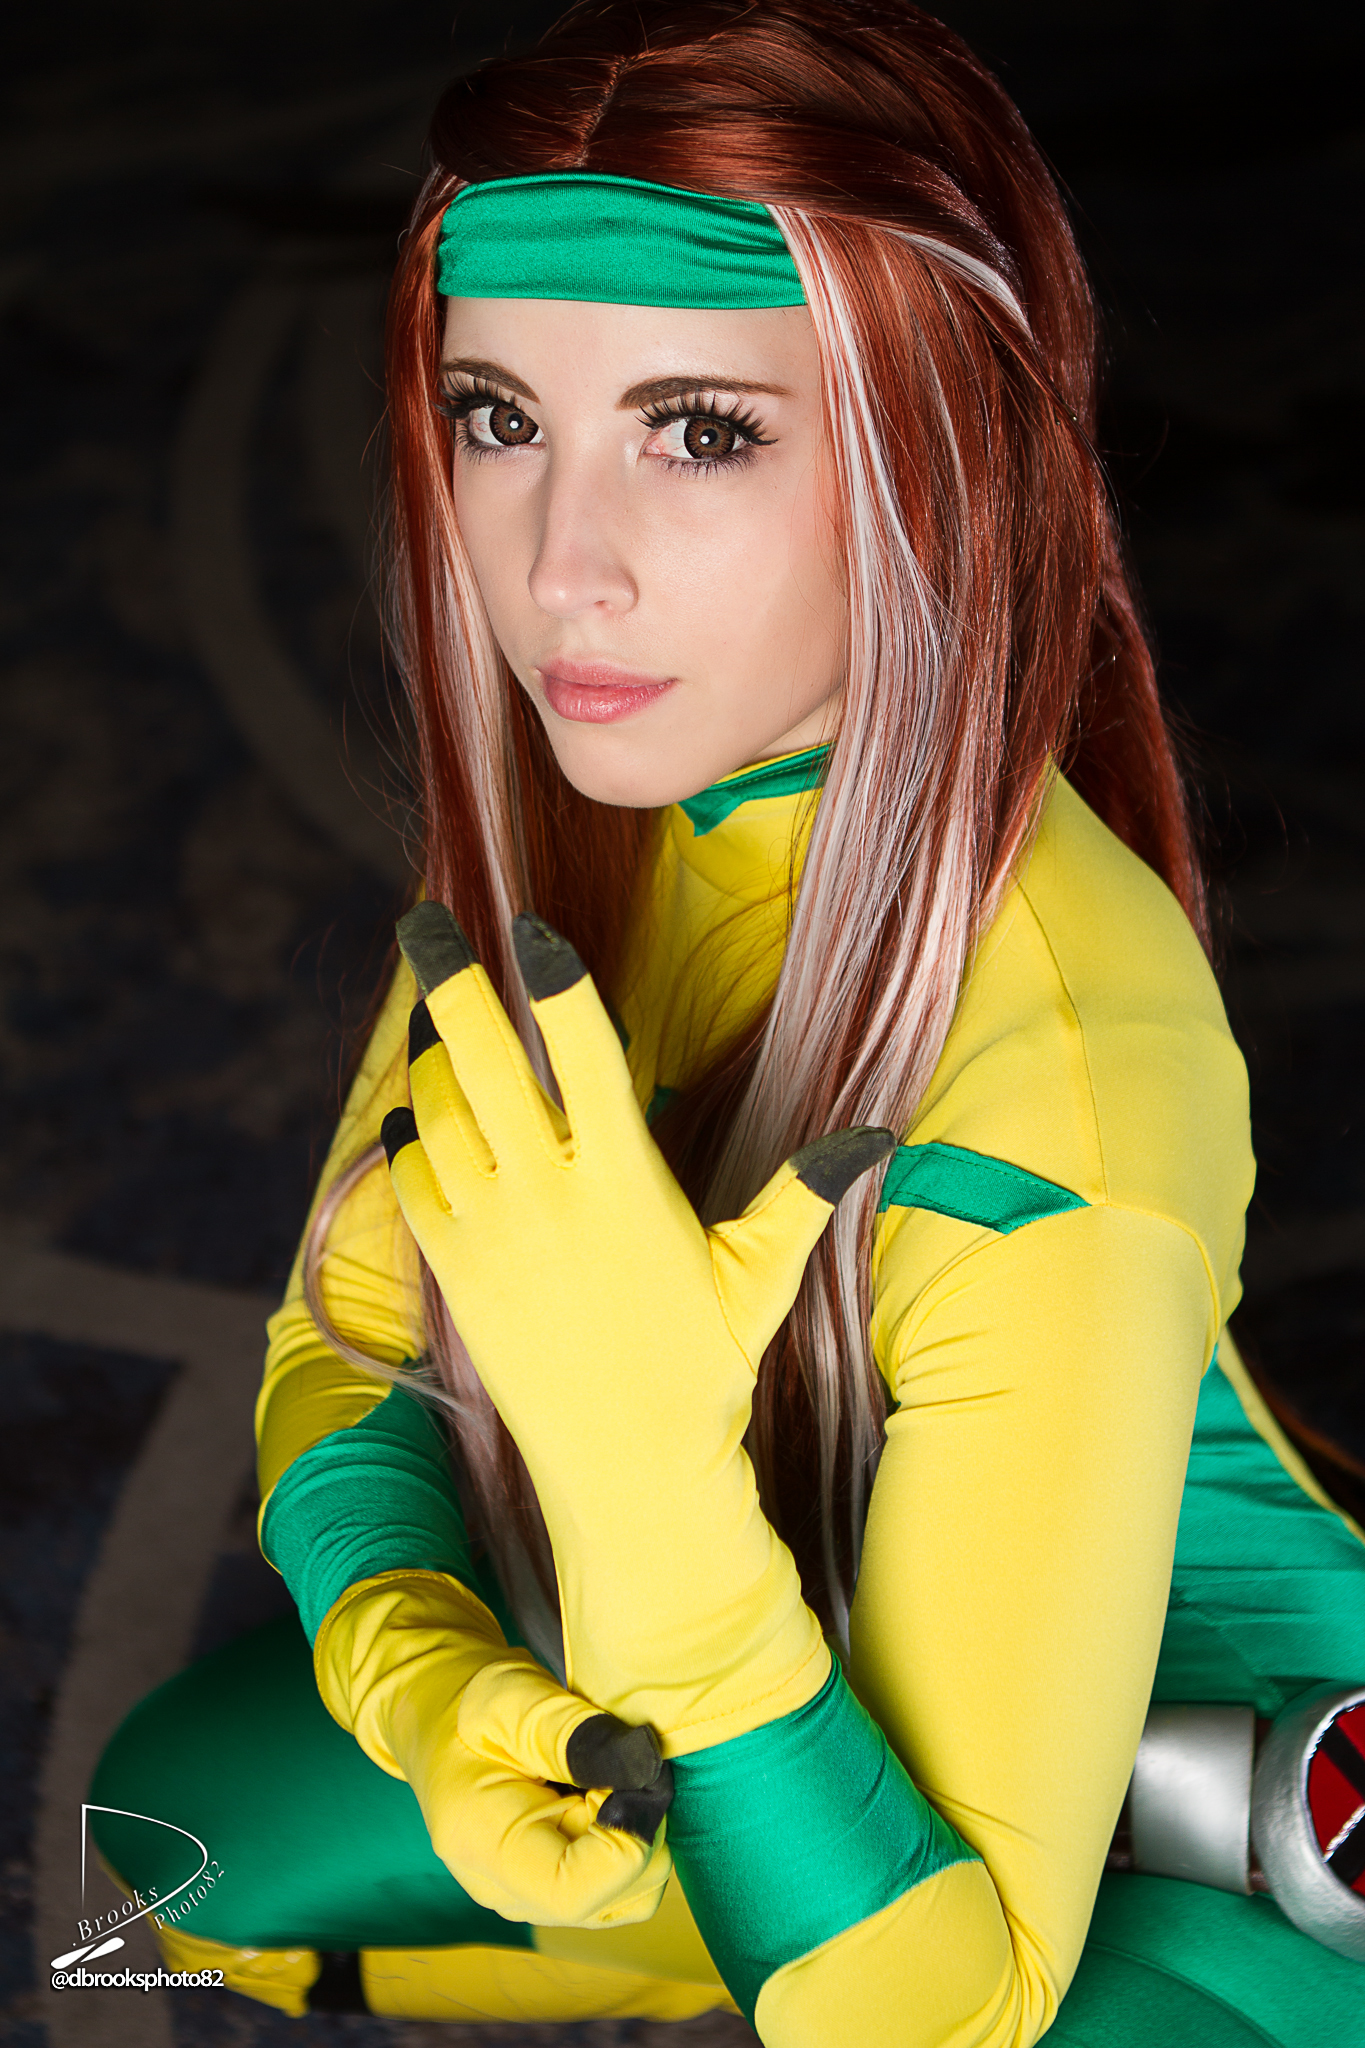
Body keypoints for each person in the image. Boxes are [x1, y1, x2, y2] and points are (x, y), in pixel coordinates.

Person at [90, 4, 1365, 2040]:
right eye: (497, 416)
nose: (558, 569)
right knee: (167, 1851)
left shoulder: (1067, 1071)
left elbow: (940, 2007)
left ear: (939, 459)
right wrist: (427, 1670)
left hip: (1204, 1844)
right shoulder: (584, 840)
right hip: (751, 1690)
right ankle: (741, 1872)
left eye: (696, 432)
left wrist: (651, 1505)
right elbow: (341, 1342)